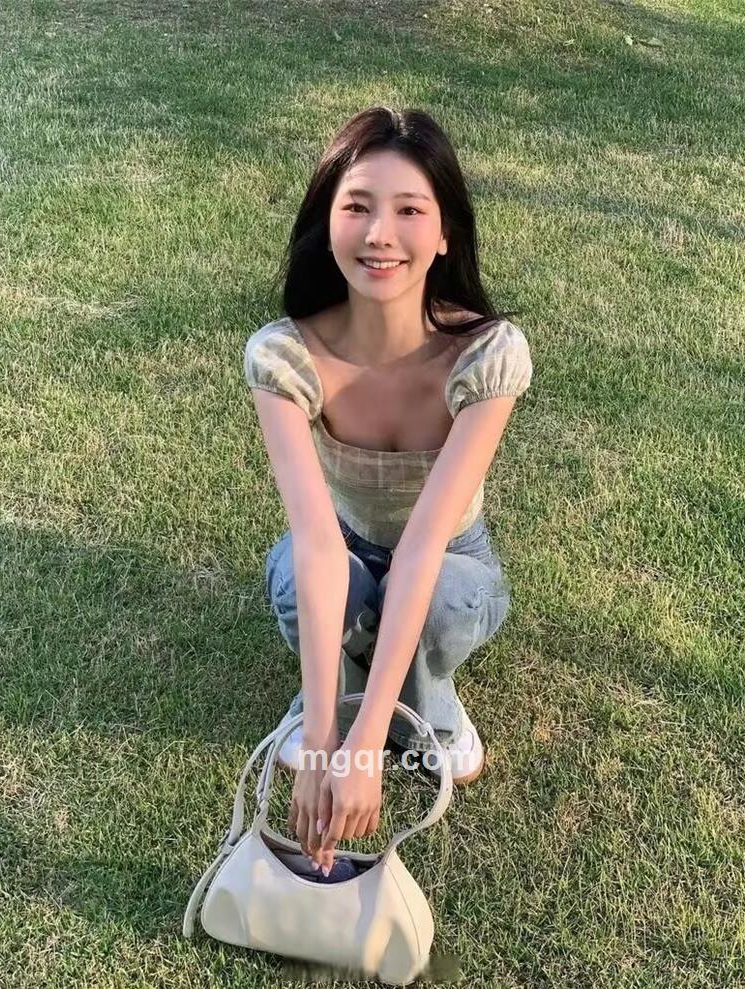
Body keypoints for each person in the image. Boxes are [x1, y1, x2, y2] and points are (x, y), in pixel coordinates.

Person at [244, 106, 533, 879]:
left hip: (450, 559)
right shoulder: (284, 355)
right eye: (358, 206)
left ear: (444, 234)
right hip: (342, 546)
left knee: (438, 598)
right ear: (327, 220)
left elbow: (425, 544)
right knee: (297, 578)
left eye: (409, 210)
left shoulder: (487, 354)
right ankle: (337, 689)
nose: (380, 234)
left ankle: (427, 708)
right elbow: (316, 543)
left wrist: (366, 745)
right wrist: (321, 744)